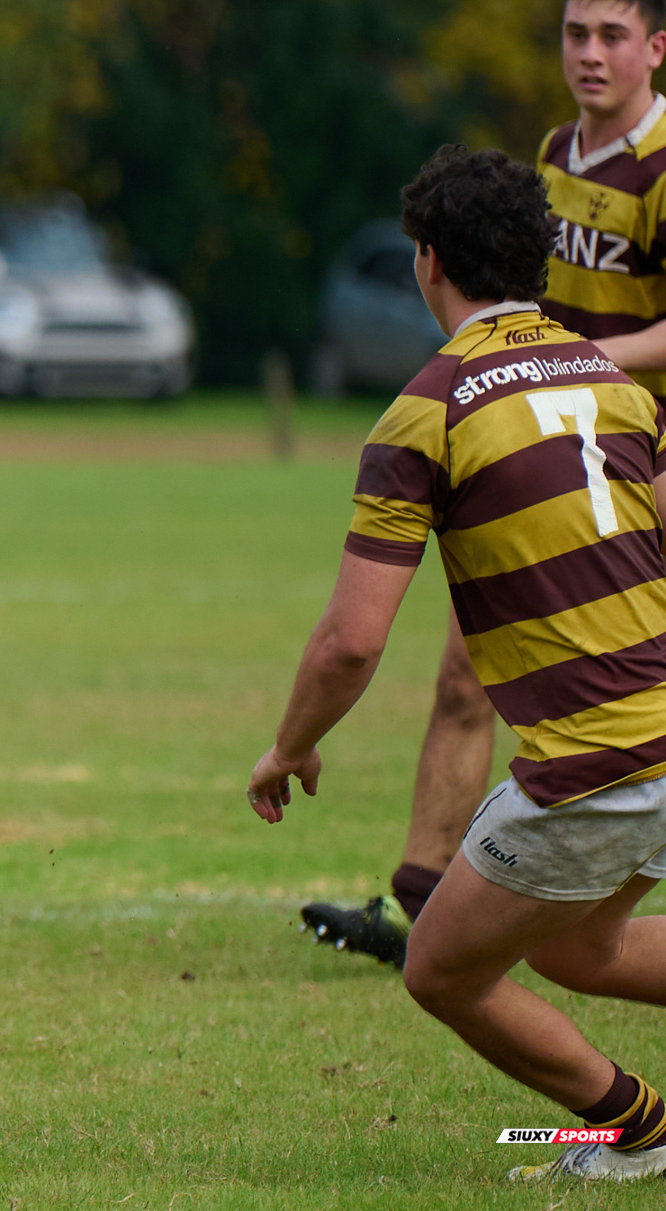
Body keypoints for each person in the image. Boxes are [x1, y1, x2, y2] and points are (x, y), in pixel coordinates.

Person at [251, 144, 666, 1182]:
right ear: (541, 259)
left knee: (438, 963)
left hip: (594, 765)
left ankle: (638, 1134)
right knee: (577, 949)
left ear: (426, 262)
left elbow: (351, 639)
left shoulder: (424, 414)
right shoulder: (616, 385)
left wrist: (288, 746)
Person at [302, 0, 666, 967]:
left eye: (611, 35)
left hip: (635, 446)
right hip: (546, 439)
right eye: (574, 33)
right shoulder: (556, 152)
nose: (588, 53)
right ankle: (422, 900)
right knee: (469, 670)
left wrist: (575, 361)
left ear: (656, 48)